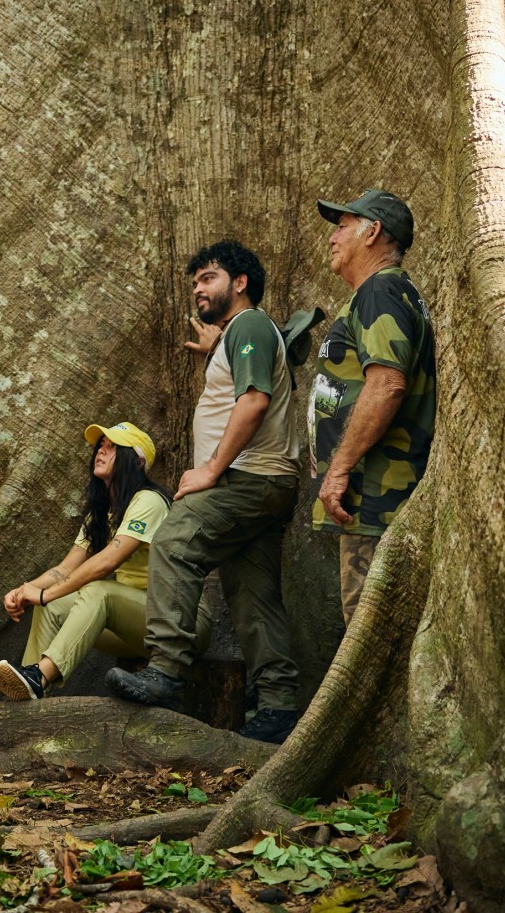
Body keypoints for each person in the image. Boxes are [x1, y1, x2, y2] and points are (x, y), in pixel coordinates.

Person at [106, 240, 305, 744]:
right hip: (267, 484)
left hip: (249, 478)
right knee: (253, 596)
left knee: (174, 542)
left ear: (240, 283)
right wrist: (215, 350)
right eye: (194, 281)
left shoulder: (251, 326)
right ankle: (278, 708)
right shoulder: (239, 336)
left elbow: (255, 401)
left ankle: (167, 671)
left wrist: (213, 469)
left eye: (209, 277)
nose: (198, 288)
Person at [0, 421, 190, 699]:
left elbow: (107, 562)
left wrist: (45, 593)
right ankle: (27, 692)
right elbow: (64, 569)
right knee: (51, 607)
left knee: (97, 591)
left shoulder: (149, 501)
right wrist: (26, 590)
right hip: (134, 628)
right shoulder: (102, 514)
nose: (101, 451)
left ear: (136, 460)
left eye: (112, 447)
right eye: (100, 446)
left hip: (175, 624)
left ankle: (39, 676)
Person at [311, 189, 438, 622]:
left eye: (342, 226)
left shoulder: (380, 290)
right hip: (374, 499)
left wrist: (340, 468)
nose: (332, 237)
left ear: (373, 233)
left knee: (368, 628)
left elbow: (387, 384)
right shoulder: (388, 292)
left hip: (376, 498)